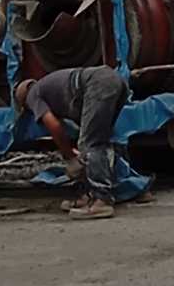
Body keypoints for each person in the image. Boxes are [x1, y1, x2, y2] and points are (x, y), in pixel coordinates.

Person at [15, 64, 130, 219]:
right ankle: (89, 196)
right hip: (114, 80)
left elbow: (54, 126)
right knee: (100, 141)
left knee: (90, 144)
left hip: (98, 84)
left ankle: (102, 201)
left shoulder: (32, 95)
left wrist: (69, 156)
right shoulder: (50, 88)